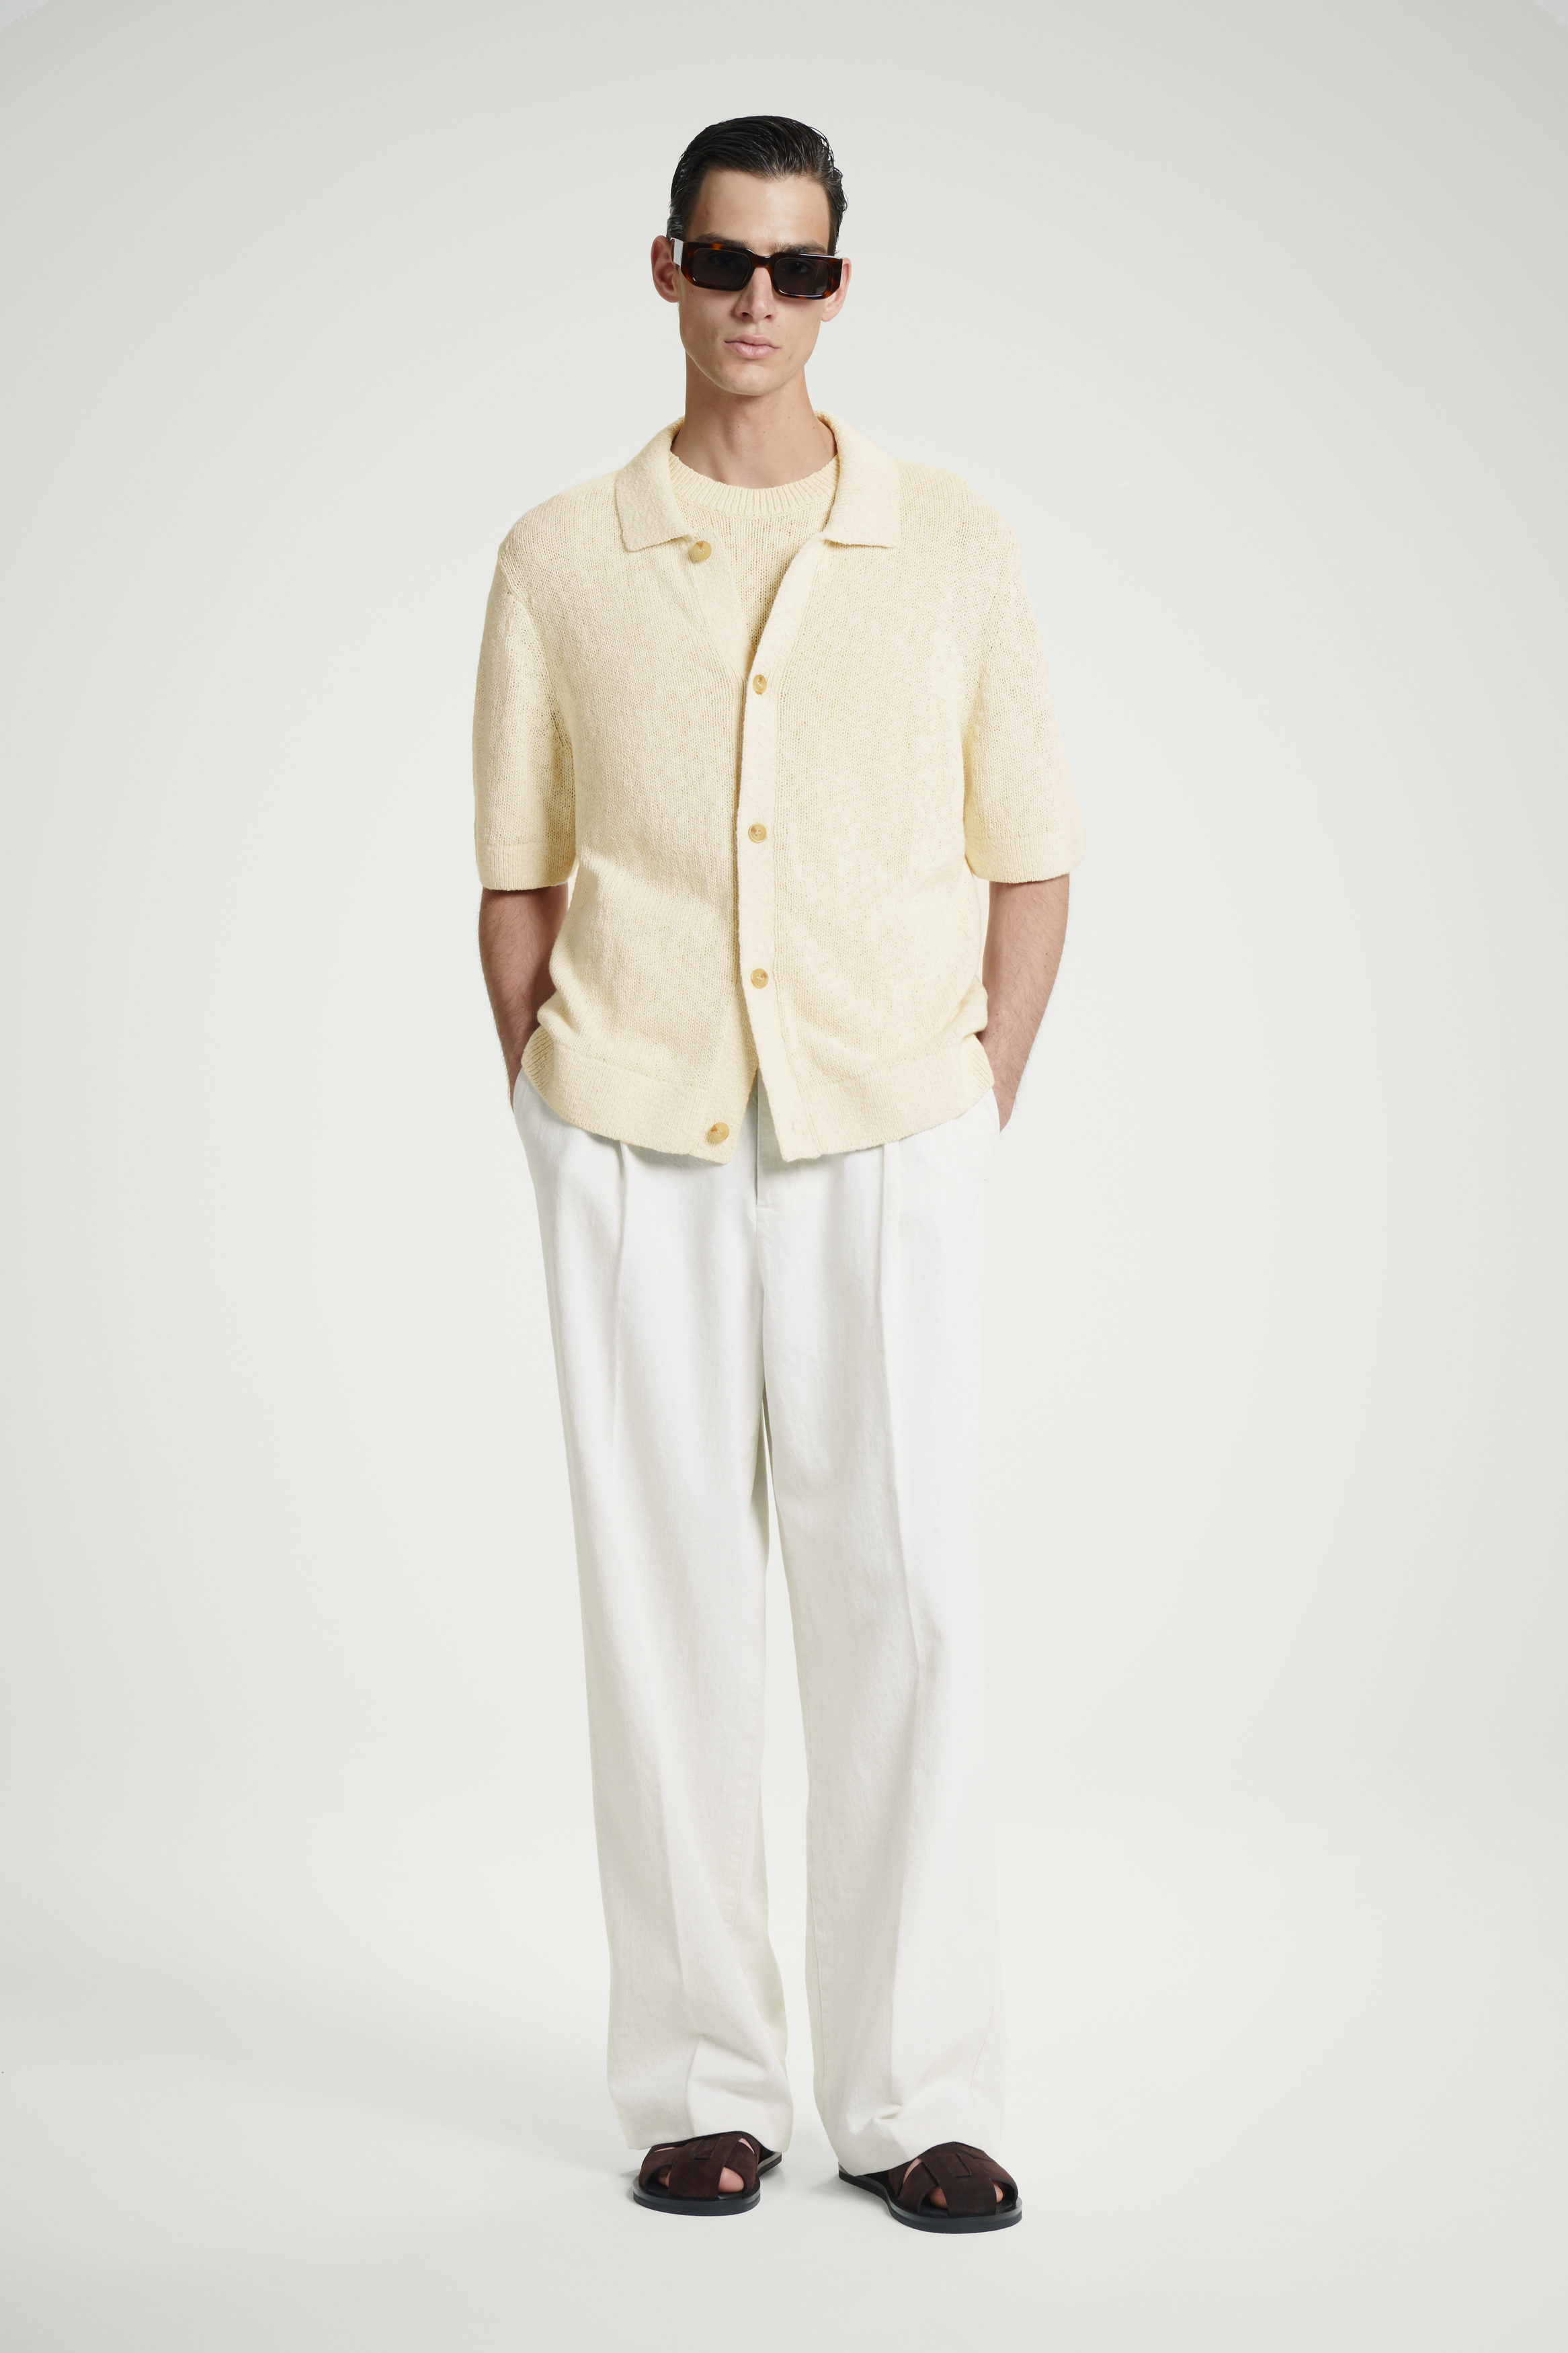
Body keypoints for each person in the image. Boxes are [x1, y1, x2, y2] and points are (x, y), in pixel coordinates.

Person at [472, 114, 1082, 2235]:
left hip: (889, 1133)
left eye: (797, 269)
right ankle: (700, 2080)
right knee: (663, 1612)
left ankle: (916, 2092)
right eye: (724, 261)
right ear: (664, 267)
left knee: (904, 1597)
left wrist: (974, 1096)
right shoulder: (560, 556)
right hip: (630, 1135)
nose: (758, 301)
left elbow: (1032, 855)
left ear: (838, 288)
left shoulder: (953, 542)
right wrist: (557, 1103)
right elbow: (518, 876)